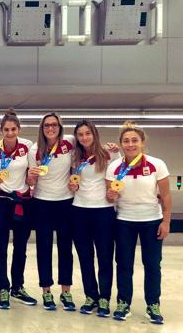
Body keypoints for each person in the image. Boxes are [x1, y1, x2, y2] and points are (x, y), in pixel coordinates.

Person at [106, 121, 171, 324]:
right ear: (121, 144)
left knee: (152, 265)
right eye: (126, 141)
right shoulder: (115, 166)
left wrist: (166, 221)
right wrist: (111, 195)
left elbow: (167, 195)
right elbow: (110, 198)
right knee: (124, 264)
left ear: (142, 143)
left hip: (151, 220)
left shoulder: (156, 164)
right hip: (124, 221)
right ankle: (123, 302)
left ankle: (153, 304)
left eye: (134, 140)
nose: (130, 144)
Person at [0, 109, 37, 309]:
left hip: (23, 201)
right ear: (1, 131)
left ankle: (18, 286)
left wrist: (32, 179)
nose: (10, 133)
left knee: (21, 247)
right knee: (1, 247)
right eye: (6, 129)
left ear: (19, 129)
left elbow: (31, 173)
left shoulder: (27, 146)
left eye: (13, 129)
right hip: (1, 201)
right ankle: (3, 288)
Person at [27, 112, 76, 311]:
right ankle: (46, 291)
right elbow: (31, 181)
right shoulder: (34, 150)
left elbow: (77, 166)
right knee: (44, 248)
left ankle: (66, 291)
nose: (50, 128)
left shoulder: (70, 142)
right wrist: (31, 177)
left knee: (65, 248)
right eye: (47, 125)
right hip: (42, 203)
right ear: (42, 128)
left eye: (54, 125)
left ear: (60, 126)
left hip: (65, 202)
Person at [69, 120, 118, 317]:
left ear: (94, 134)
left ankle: (104, 298)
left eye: (87, 133)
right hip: (79, 210)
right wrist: (72, 186)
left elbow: (118, 179)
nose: (84, 137)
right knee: (85, 257)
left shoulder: (110, 154)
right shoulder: (75, 157)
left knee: (105, 256)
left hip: (103, 211)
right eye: (80, 134)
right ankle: (91, 296)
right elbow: (73, 181)